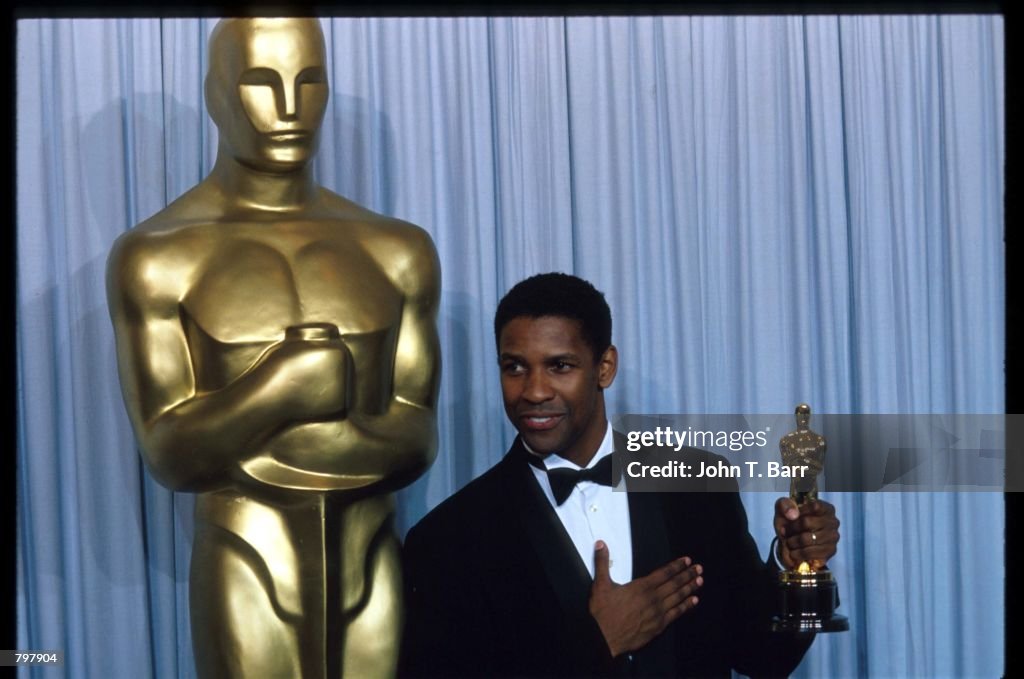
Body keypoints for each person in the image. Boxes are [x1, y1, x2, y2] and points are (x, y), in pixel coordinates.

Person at [106, 18, 440, 679]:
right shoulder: (159, 257)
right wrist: (283, 389)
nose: (289, 109)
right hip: (244, 553)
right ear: (215, 93)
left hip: (372, 553)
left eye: (308, 82)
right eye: (262, 82)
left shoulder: (397, 249)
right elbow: (170, 454)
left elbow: (420, 441)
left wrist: (260, 438)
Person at [400, 273, 839, 678]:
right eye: (514, 367)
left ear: (604, 367)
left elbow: (762, 657)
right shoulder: (448, 539)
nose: (533, 391)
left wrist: (793, 564)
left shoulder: (695, 485)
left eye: (560, 366)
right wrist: (599, 642)